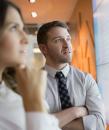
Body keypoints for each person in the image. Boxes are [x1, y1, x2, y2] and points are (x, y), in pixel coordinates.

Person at [0, 0, 61, 130]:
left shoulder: (14, 89)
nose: (26, 39)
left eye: (22, 28)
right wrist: (34, 103)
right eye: (13, 27)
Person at [37, 20, 106, 130]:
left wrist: (49, 124)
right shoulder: (33, 84)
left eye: (68, 39)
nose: (67, 45)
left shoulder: (85, 79)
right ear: (44, 49)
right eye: (58, 40)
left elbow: (100, 124)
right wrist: (76, 111)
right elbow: (33, 126)